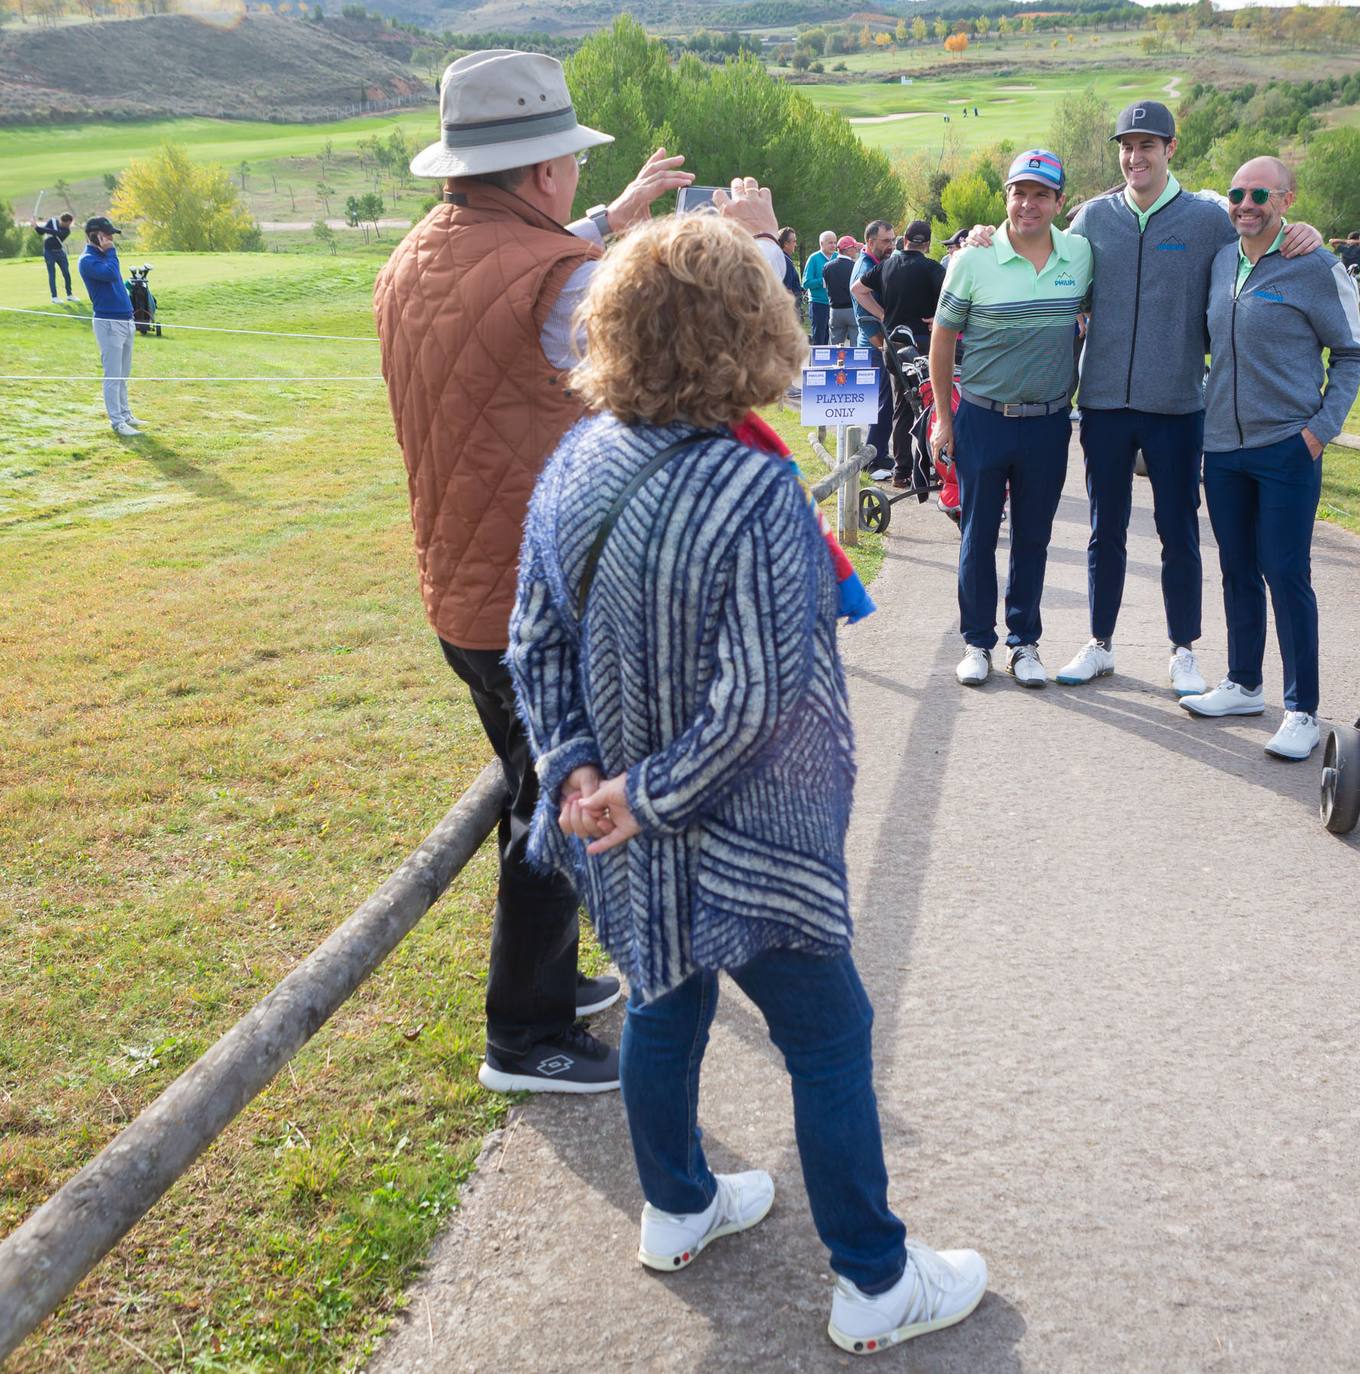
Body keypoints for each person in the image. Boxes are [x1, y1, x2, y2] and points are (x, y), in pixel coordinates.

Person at [506, 209, 988, 1357]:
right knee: (828, 1035)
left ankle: (677, 1207)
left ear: (613, 329)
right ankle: (875, 1280)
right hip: (744, 838)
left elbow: (533, 645)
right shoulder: (758, 493)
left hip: (625, 828)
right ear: (750, 330)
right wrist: (644, 792)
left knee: (663, 999)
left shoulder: (574, 466)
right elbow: (763, 701)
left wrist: (584, 775)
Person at [373, 49, 730, 1095]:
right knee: (561, 807)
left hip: (462, 587)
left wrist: (617, 217)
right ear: (540, 173)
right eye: (567, 163)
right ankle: (523, 1033)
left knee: (534, 783)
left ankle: (551, 981)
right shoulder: (558, 280)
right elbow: (680, 365)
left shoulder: (419, 258)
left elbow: (526, 275)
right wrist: (738, 253)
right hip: (547, 600)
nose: (572, 180)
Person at [990, 100, 1327, 698]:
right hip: (1102, 404)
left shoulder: (1207, 218)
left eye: (1148, 145)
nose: (1135, 156)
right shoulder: (1093, 218)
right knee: (1105, 528)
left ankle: (1183, 650)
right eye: (1127, 145)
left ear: (1170, 149)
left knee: (1179, 530)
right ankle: (1100, 642)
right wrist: (981, 238)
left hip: (1176, 404)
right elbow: (1038, 249)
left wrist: (1307, 230)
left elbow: (1262, 228)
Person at [1181, 157, 1360, 761]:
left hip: (1287, 447)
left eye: (1260, 194)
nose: (1246, 203)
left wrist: (1320, 431)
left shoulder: (1313, 263)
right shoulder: (1221, 260)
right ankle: (1242, 683)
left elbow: (1351, 354)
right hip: (1224, 447)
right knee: (1236, 568)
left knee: (1285, 576)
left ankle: (1302, 709)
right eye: (1238, 193)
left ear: (1286, 199)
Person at [929, 150, 1093, 690]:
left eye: (1041, 194)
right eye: (1019, 193)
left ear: (1058, 203)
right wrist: (943, 419)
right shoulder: (972, 260)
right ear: (1007, 199)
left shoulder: (1080, 255)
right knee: (978, 533)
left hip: (1047, 422)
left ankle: (1024, 642)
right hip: (982, 416)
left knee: (1033, 537)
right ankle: (977, 641)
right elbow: (943, 339)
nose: (1029, 204)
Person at [871, 218, 945, 484]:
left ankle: (902, 472)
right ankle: (933, 468)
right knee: (932, 406)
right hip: (924, 345)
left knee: (902, 406)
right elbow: (954, 297)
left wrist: (882, 313)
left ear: (904, 241)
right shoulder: (932, 268)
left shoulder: (886, 266)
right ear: (926, 244)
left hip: (894, 344)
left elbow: (857, 289)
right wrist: (938, 316)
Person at [77, 216, 141, 437]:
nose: (111, 239)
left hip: (125, 320)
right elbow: (111, 274)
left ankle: (125, 413)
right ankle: (117, 421)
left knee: (123, 373)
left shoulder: (105, 257)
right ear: (95, 235)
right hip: (108, 323)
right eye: (107, 234)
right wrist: (111, 251)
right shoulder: (88, 260)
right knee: (113, 375)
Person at [847, 220, 896, 466]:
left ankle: (876, 453)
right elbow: (864, 319)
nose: (891, 246)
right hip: (873, 346)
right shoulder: (864, 268)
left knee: (883, 403)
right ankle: (875, 457)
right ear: (870, 242)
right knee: (883, 403)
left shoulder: (875, 263)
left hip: (874, 344)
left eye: (893, 240)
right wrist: (884, 348)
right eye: (886, 241)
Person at [821, 237, 860, 355]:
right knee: (855, 346)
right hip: (852, 309)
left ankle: (835, 370)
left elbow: (825, 286)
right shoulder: (855, 266)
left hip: (835, 311)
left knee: (835, 348)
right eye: (854, 248)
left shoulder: (827, 266)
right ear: (848, 250)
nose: (856, 250)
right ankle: (853, 370)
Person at [804, 229, 838, 345]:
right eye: (830, 242)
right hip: (818, 304)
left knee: (832, 338)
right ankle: (815, 362)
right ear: (821, 243)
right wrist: (823, 281)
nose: (833, 245)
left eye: (835, 242)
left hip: (835, 305)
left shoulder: (838, 257)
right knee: (819, 338)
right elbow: (806, 283)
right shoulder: (814, 258)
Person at [34, 212, 76, 301]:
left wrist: (42, 229)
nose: (69, 225)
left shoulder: (67, 231)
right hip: (49, 252)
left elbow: (58, 234)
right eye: (68, 223)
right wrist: (35, 226)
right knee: (52, 274)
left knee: (66, 273)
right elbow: (41, 232)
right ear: (63, 221)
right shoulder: (52, 222)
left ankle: (69, 295)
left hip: (60, 252)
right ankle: (54, 297)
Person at [1330, 229, 1360, 294]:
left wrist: (1346, 241)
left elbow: (1331, 241)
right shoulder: (1359, 249)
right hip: (1355, 276)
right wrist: (1356, 241)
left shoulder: (1343, 248)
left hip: (1344, 277)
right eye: (1359, 238)